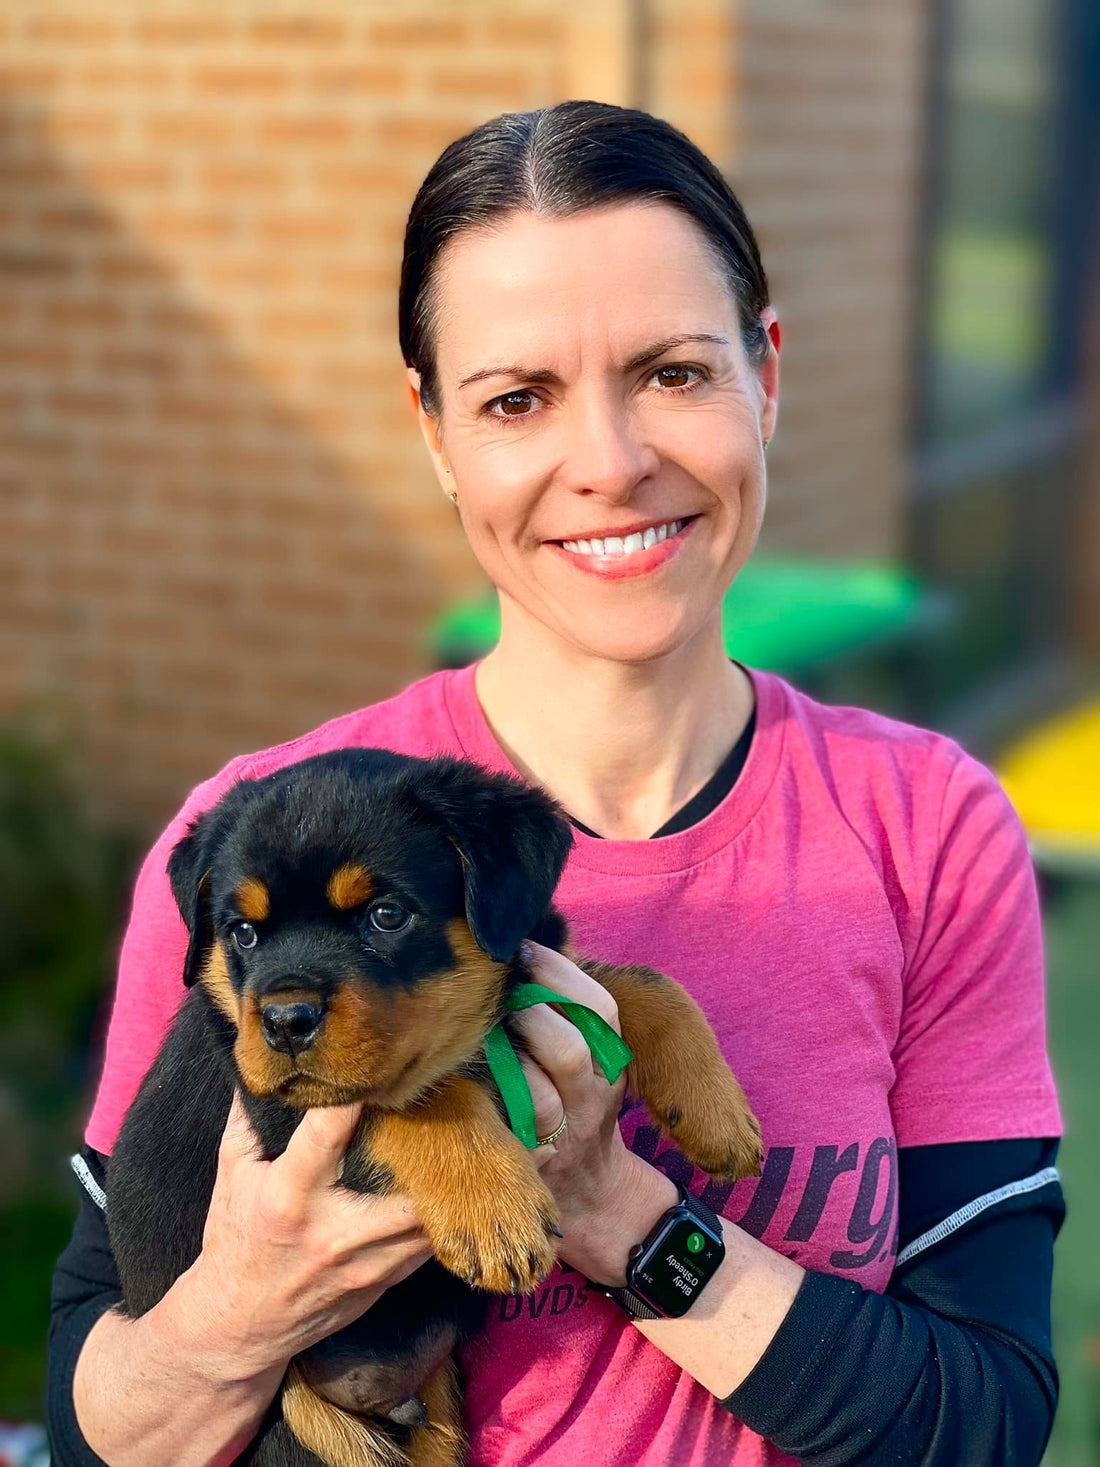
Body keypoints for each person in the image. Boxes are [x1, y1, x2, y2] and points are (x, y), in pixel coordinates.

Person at [48, 101, 1065, 1467]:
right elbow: (87, 1411)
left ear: (766, 376)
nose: (609, 462)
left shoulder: (925, 829)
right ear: (434, 432)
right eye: (517, 398)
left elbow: (987, 1424)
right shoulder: (245, 824)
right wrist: (233, 1317)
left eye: (673, 373)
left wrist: (628, 1220)